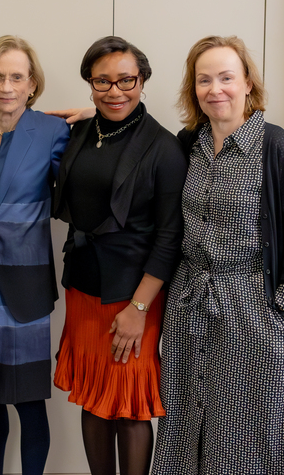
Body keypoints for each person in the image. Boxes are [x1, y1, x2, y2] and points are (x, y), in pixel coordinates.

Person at [152, 35, 284, 475]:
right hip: (189, 304)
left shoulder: (275, 147)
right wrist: (99, 118)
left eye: (226, 77)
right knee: (185, 419)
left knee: (248, 427)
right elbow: (143, 145)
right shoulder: (189, 145)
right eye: (204, 80)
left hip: (252, 306)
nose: (215, 89)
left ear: (247, 84)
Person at [52, 36, 186, 475]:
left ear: (142, 80)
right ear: (90, 85)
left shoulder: (163, 148)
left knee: (128, 406)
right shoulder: (82, 131)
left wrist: (139, 308)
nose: (115, 91)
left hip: (132, 296)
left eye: (126, 80)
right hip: (84, 288)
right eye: (102, 82)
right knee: (94, 397)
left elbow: (169, 238)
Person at [0, 35, 69, 475]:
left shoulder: (52, 130)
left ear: (32, 84)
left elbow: (80, 180)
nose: (7, 85)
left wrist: (89, 117)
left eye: (17, 77)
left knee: (27, 399)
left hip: (24, 280)